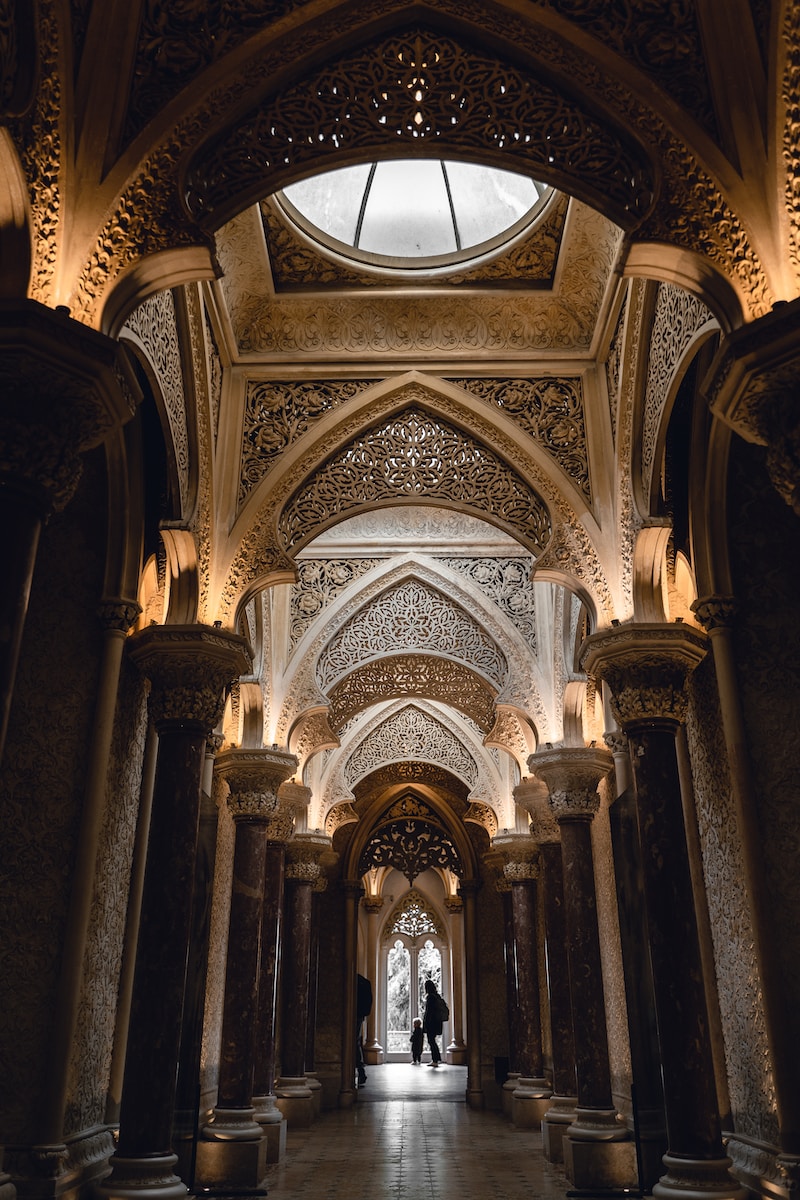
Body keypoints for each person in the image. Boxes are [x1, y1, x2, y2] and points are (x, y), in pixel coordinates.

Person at [422, 978, 446, 1068]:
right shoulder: (437, 996)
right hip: (437, 1023)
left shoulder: (430, 997)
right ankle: (436, 1059)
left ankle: (435, 1060)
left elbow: (428, 1012)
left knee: (431, 1041)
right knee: (432, 1041)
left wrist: (426, 1023)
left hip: (431, 1023)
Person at [356, 973, 372, 1087]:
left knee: (354, 1043)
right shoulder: (364, 982)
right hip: (360, 1015)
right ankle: (360, 1070)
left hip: (355, 1014)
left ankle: (360, 1070)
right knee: (356, 1043)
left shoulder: (354, 981)